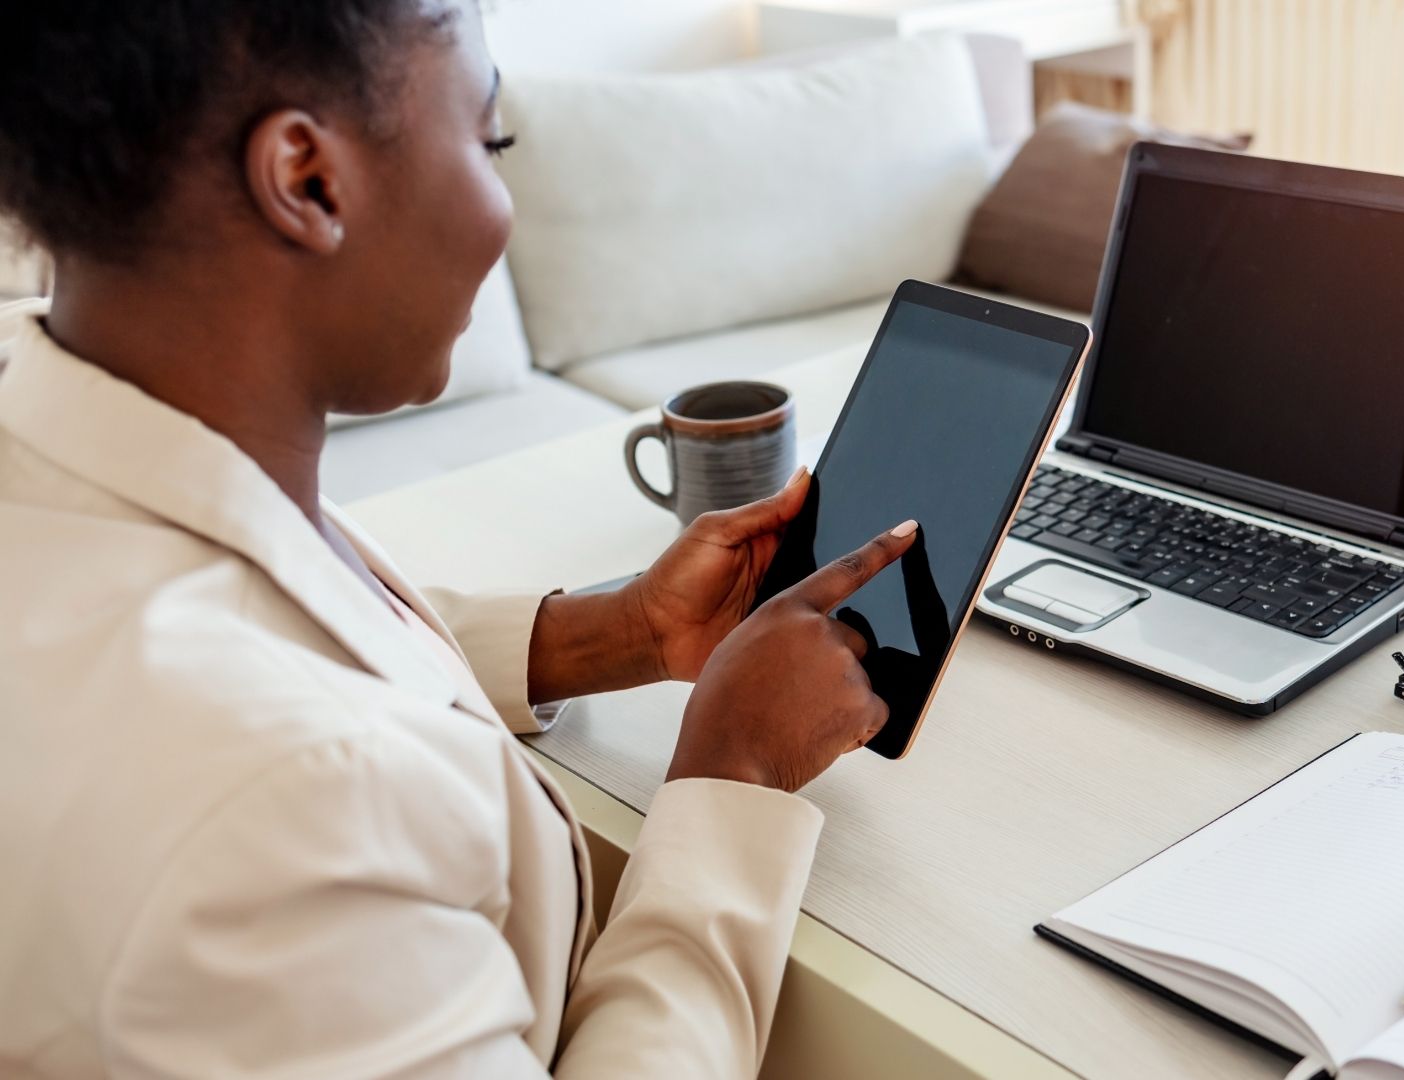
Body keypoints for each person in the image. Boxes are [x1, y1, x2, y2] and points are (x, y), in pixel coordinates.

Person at [0, 1, 913, 1075]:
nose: (504, 206)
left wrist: (612, 634)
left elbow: (272, 624)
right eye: (490, 143)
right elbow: (281, 727)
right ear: (308, 179)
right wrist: (736, 771)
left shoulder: (81, 456)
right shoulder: (280, 812)